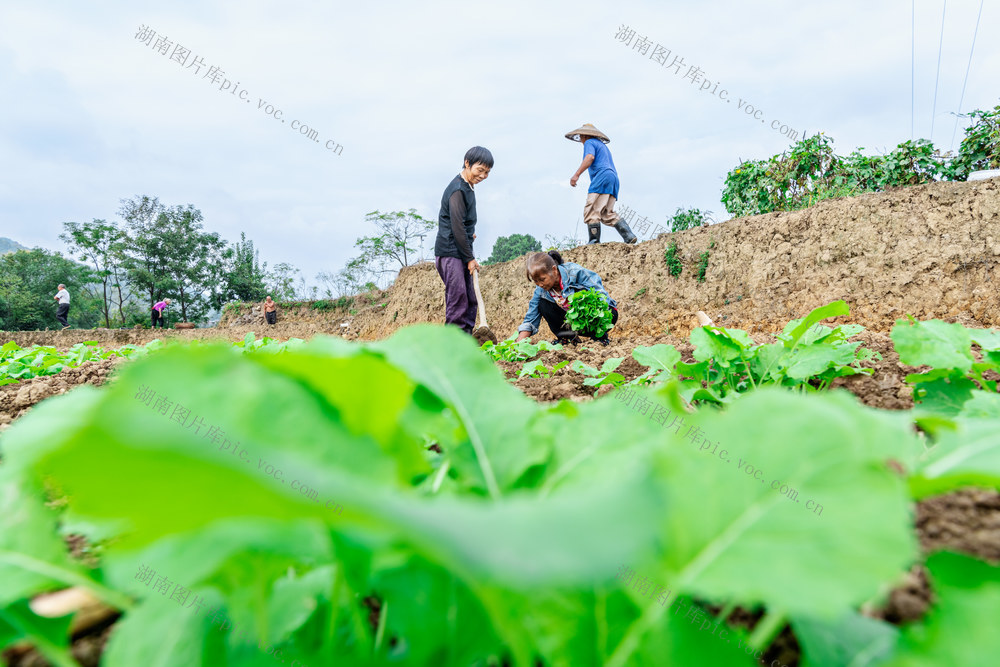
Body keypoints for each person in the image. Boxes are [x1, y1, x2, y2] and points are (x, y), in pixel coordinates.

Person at [433, 145, 493, 334]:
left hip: (461, 248)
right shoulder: (457, 189)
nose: (483, 175)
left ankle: (466, 339)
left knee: (470, 297)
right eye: (480, 170)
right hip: (451, 252)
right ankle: (453, 345)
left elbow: (462, 224)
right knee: (458, 298)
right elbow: (456, 226)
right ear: (467, 163)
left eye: (487, 172)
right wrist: (469, 258)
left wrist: (470, 234)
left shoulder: (468, 187)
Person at [515, 251, 619, 346]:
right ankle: (567, 338)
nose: (539, 284)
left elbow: (600, 293)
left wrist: (594, 314)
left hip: (591, 321)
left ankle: (600, 337)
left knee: (609, 312)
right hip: (572, 325)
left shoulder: (574, 272)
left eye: (542, 279)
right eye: (535, 281)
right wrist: (519, 343)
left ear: (554, 270)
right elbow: (531, 316)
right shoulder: (540, 290)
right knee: (542, 304)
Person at [566, 123, 637, 245]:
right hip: (613, 178)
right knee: (605, 213)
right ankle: (629, 235)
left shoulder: (589, 143)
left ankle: (594, 241)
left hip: (602, 177)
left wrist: (576, 175)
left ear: (584, 136)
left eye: (581, 136)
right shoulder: (602, 146)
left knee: (592, 209)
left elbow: (589, 157)